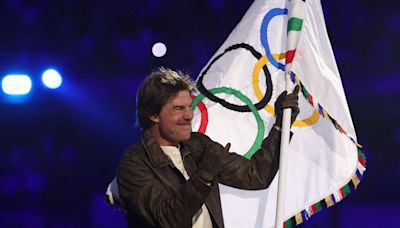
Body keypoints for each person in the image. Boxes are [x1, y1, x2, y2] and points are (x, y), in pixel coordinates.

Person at [114, 67, 299, 228]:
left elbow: (256, 175)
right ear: (153, 115)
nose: (189, 115)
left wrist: (281, 126)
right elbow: (168, 221)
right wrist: (203, 176)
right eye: (179, 108)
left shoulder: (198, 145)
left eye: (189, 107)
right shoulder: (133, 164)